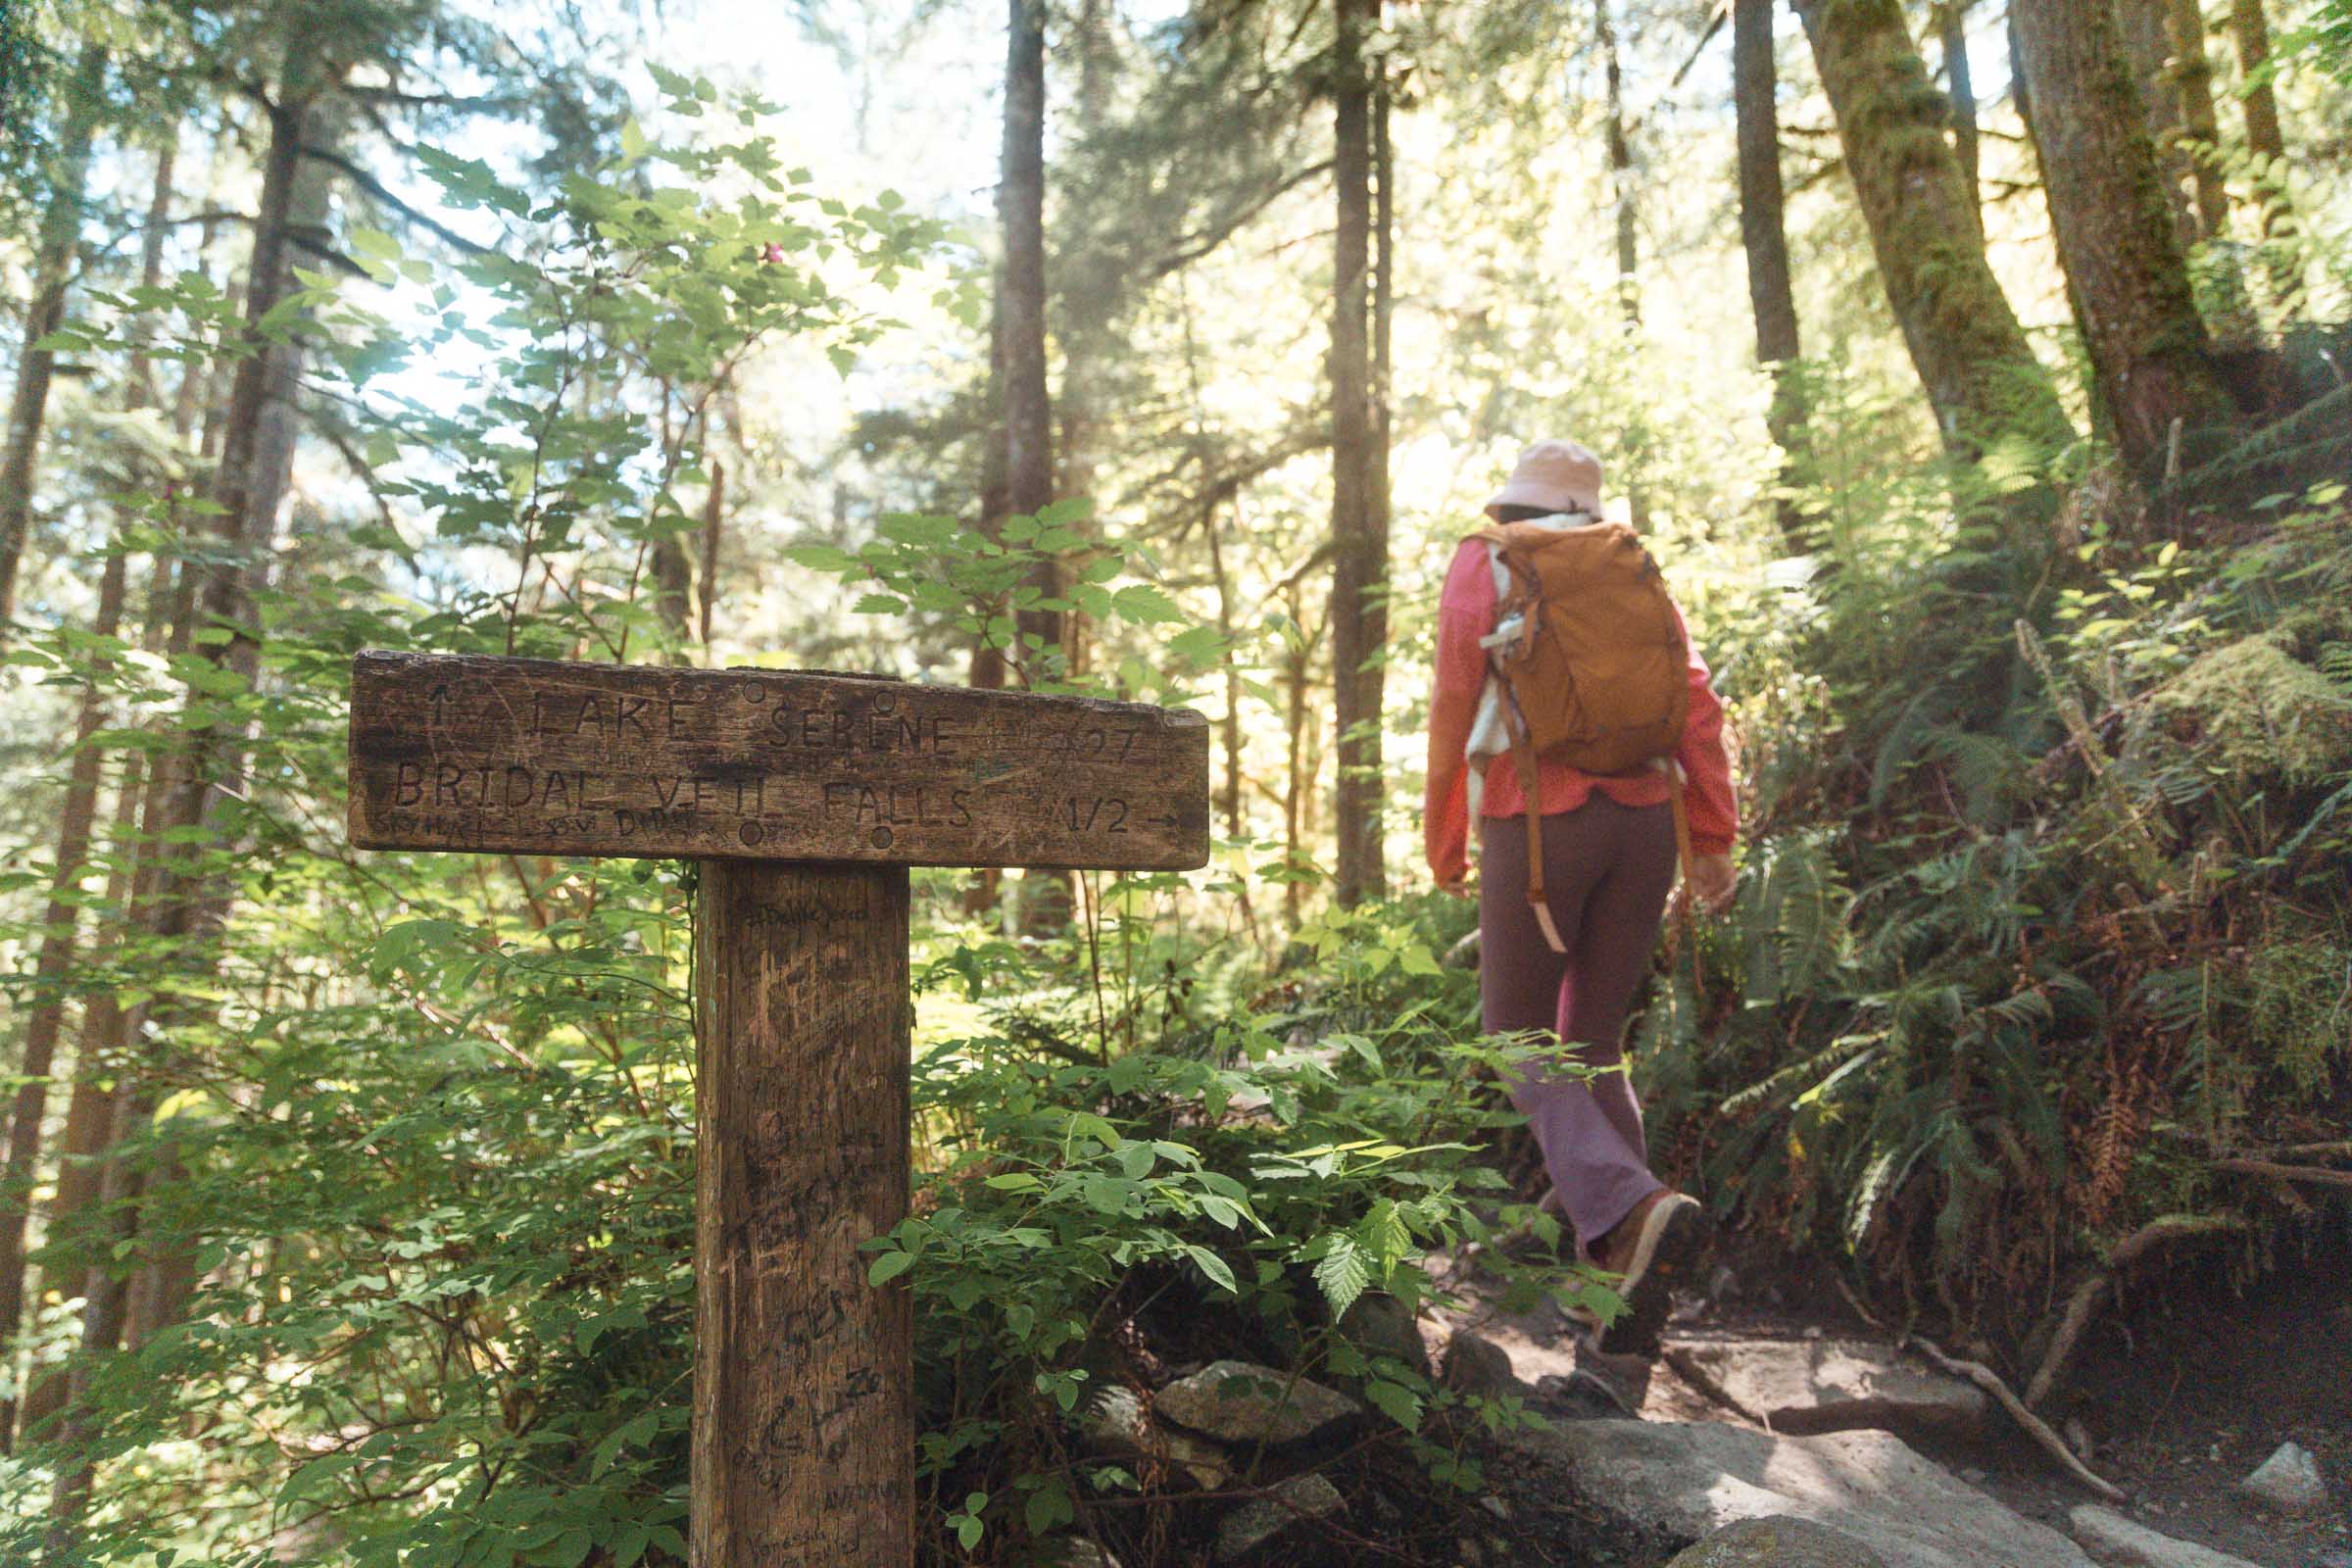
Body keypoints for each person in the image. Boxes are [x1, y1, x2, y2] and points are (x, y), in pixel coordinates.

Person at [1424, 437, 1738, 1356]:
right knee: (1592, 1042)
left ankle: (1634, 1208)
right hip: (1648, 822)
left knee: (1514, 1035)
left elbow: (1453, 699)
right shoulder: (1629, 565)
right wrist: (1713, 835)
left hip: (1541, 820)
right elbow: (1695, 700)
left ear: (1515, 504)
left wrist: (1446, 837)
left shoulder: (1487, 563)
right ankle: (1617, 1293)